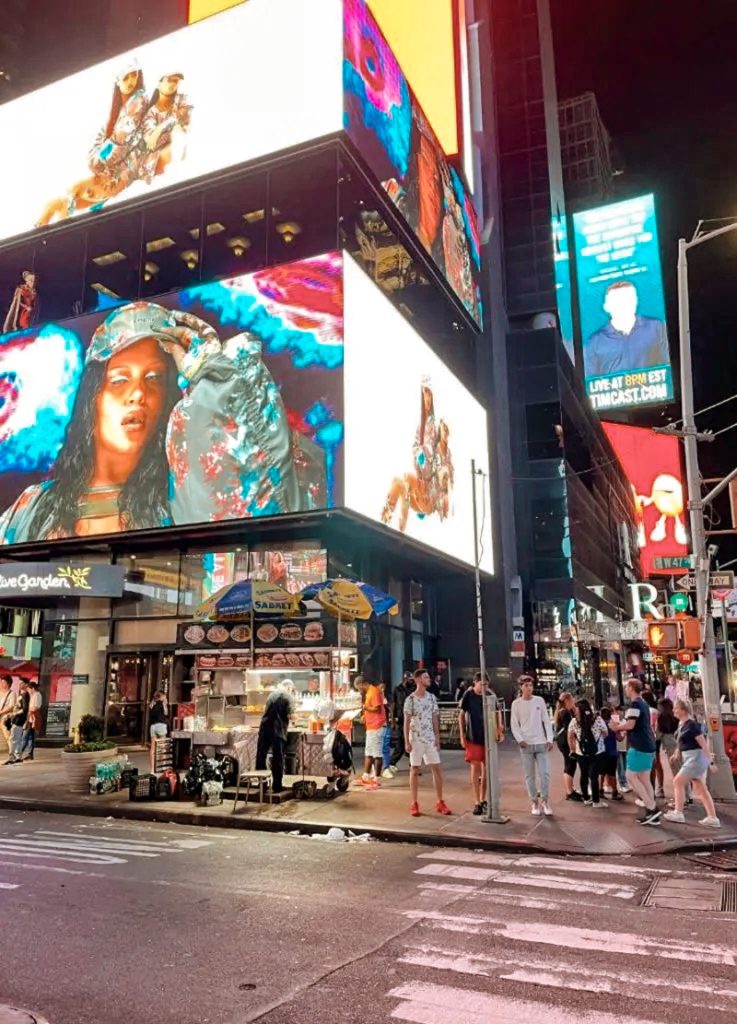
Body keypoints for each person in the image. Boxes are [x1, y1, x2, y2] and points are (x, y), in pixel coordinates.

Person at [0, 301, 326, 543]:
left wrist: (215, 375)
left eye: (153, 379)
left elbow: (257, 501)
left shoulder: (181, 501)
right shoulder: (34, 506)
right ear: (91, 399)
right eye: (118, 380)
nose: (137, 394)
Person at [583, 281, 669, 378]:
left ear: (636, 301)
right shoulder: (594, 342)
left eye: (628, 299)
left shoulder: (656, 328)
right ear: (606, 306)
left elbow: (669, 366)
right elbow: (590, 384)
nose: (624, 305)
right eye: (618, 301)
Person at [664, 699, 720, 828]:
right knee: (700, 788)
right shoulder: (682, 724)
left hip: (695, 758)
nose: (673, 710)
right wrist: (677, 753)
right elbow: (681, 740)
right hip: (690, 757)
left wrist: (711, 763)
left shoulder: (693, 725)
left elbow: (703, 745)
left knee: (678, 782)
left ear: (683, 710)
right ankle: (713, 817)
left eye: (676, 708)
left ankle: (678, 813)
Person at [404, 668, 451, 817]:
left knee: (436, 768)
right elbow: (406, 721)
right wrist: (407, 740)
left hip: (429, 738)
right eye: (425, 677)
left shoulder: (431, 698)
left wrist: (437, 736)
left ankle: (440, 800)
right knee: (415, 769)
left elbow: (434, 717)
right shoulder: (410, 699)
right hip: (416, 738)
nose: (428, 679)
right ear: (418, 680)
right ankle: (414, 802)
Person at [616, 678, 660, 825]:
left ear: (630, 688)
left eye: (627, 687)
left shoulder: (635, 704)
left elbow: (630, 724)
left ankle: (651, 807)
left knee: (631, 776)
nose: (626, 690)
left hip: (639, 745)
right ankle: (652, 813)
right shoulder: (644, 703)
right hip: (648, 744)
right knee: (644, 778)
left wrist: (616, 727)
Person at [510, 674, 554, 816]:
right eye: (526, 685)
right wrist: (519, 739)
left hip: (540, 742)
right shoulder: (516, 704)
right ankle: (534, 802)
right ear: (521, 687)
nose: (529, 688)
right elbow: (514, 724)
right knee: (530, 776)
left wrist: (550, 738)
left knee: (544, 773)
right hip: (526, 744)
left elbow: (546, 720)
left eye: (531, 685)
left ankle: (545, 801)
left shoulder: (539, 701)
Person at [137, 73, 192, 184]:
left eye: (176, 81)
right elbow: (151, 141)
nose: (172, 84)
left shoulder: (181, 101)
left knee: (178, 131)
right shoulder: (151, 113)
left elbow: (183, 117)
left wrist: (160, 128)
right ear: (159, 83)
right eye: (169, 80)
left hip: (183, 155)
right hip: (159, 163)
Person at [567, 699, 608, 807]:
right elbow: (606, 733)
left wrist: (573, 749)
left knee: (583, 775)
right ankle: (596, 801)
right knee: (594, 776)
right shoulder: (597, 719)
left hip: (581, 752)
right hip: (597, 752)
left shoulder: (574, 721)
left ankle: (586, 798)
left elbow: (570, 737)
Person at [256, 682, 294, 794]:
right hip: (278, 730)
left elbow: (266, 711)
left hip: (265, 728)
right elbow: (291, 715)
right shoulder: (288, 696)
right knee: (278, 758)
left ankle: (262, 785)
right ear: (289, 688)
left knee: (261, 757)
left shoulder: (271, 695)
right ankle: (277, 786)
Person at [458, 672, 488, 815]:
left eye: (486, 684)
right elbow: (461, 715)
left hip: (487, 738)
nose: (484, 687)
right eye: (481, 684)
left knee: (486, 771)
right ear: (475, 683)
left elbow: (497, 713)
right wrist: (462, 735)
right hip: (473, 736)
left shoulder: (489, 696)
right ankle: (477, 801)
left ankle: (483, 799)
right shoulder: (469, 695)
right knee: (475, 769)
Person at [357, 676, 387, 787]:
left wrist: (365, 708)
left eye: (358, 688)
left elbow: (377, 708)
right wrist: (365, 716)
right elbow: (371, 708)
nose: (359, 690)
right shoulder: (369, 692)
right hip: (371, 727)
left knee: (377, 753)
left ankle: (377, 779)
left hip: (377, 726)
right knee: (368, 752)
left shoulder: (373, 691)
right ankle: (366, 776)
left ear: (361, 684)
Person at [553, 691, 581, 802]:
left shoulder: (561, 711)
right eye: (571, 700)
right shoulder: (565, 713)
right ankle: (570, 791)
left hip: (563, 741)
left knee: (570, 763)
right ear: (567, 701)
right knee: (570, 764)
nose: (573, 702)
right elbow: (571, 728)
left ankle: (570, 789)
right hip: (566, 741)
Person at [389, 673, 415, 771]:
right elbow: (393, 705)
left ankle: (413, 764)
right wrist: (392, 721)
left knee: (411, 741)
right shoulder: (397, 689)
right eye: (410, 679)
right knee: (400, 742)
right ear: (405, 679)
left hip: (411, 719)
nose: (411, 681)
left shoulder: (413, 689)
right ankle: (392, 762)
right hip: (400, 719)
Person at [654, 697, 678, 799]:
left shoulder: (661, 718)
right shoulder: (675, 716)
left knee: (676, 771)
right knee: (680, 770)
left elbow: (658, 735)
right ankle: (687, 796)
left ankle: (681, 798)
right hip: (678, 744)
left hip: (669, 747)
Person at [598, 706, 623, 800]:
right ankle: (614, 792)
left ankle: (600, 790)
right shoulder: (613, 725)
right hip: (612, 752)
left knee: (601, 772)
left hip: (601, 751)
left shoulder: (599, 725)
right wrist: (623, 734)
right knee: (612, 773)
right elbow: (619, 738)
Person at [7, 679, 30, 765]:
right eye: (20, 683)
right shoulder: (22, 694)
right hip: (18, 719)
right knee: (18, 739)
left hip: (18, 719)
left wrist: (14, 713)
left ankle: (11, 757)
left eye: (22, 683)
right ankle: (17, 756)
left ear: (26, 684)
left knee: (13, 738)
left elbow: (24, 709)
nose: (20, 684)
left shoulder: (25, 695)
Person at [148, 690, 169, 771]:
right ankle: (163, 766)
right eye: (164, 696)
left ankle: (152, 769)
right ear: (161, 696)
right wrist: (165, 704)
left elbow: (150, 711)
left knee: (152, 749)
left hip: (152, 727)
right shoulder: (162, 702)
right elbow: (166, 713)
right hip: (161, 725)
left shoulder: (152, 704)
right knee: (162, 746)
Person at [0, 675, 17, 763]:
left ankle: (12, 755)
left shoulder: (12, 694)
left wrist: (1, 712)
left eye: (3, 682)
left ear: (8, 683)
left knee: (8, 736)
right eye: (1, 682)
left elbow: (11, 706)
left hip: (5, 717)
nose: (1, 684)